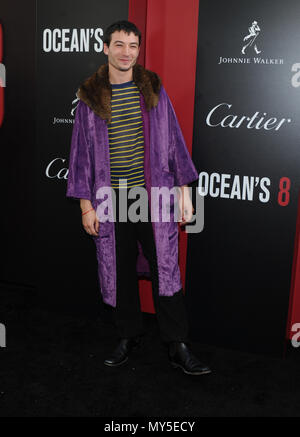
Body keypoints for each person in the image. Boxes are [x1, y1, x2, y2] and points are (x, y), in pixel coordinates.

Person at [66, 20, 211, 376]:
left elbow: (175, 143)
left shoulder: (154, 93)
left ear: (138, 50)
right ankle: (128, 335)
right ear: (105, 48)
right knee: (120, 272)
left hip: (153, 198)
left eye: (133, 46)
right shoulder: (89, 99)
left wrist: (185, 192)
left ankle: (177, 344)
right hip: (110, 201)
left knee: (166, 270)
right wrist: (86, 205)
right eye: (119, 45)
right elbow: (80, 155)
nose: (126, 52)